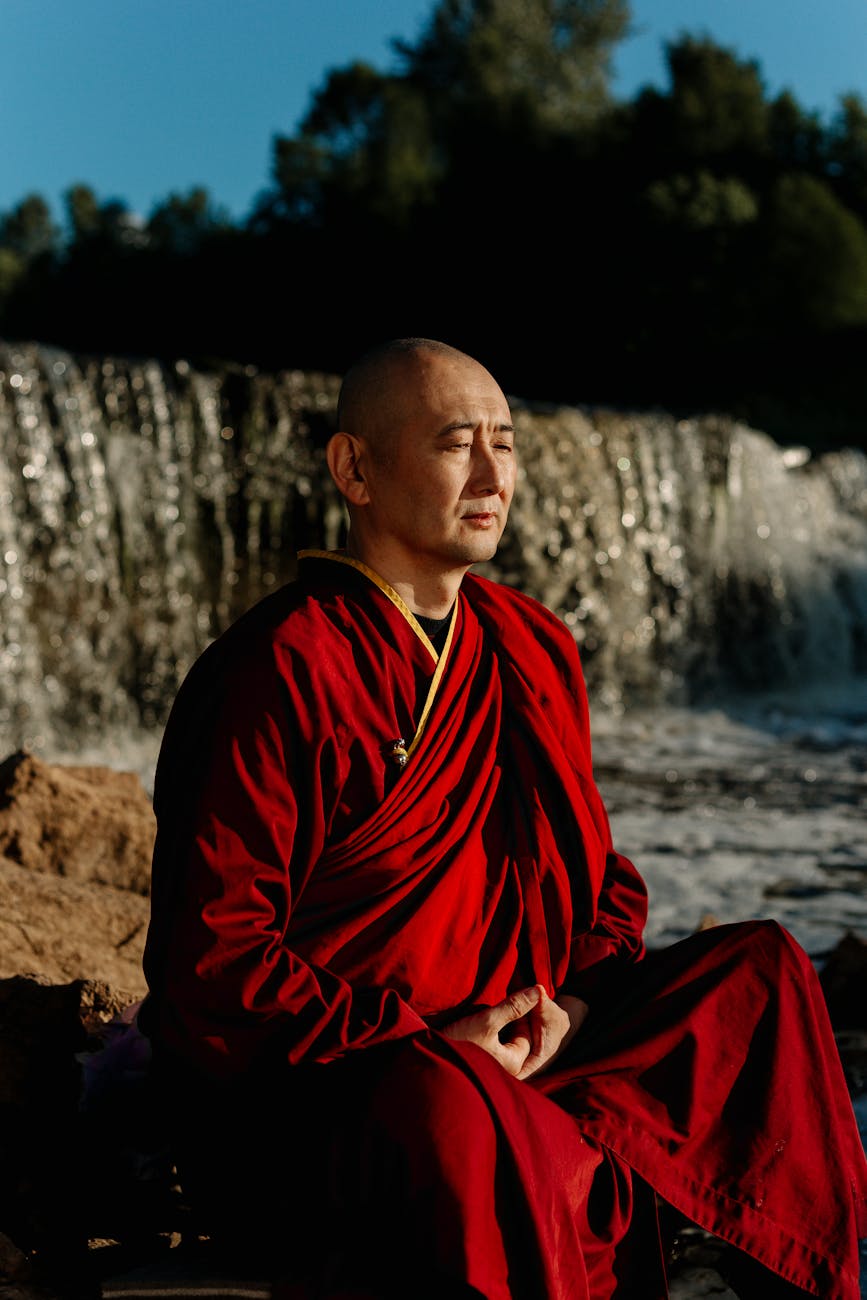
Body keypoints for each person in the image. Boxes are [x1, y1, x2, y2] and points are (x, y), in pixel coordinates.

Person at [140, 337, 867, 1299]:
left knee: (760, 973)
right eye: (456, 444)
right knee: (452, 1106)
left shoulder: (531, 644)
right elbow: (213, 962)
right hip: (351, 1086)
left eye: (506, 443)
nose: (492, 477)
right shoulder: (282, 665)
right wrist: (427, 1042)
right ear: (354, 469)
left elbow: (598, 883)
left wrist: (575, 1008)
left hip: (533, 1042)